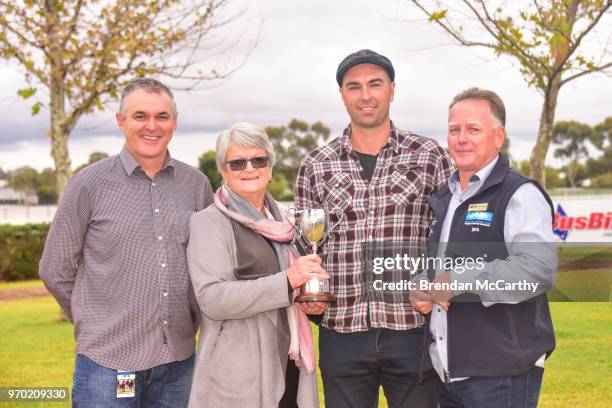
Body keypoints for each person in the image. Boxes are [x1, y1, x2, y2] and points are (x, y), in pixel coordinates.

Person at [39, 78, 213, 407]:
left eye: (162, 116)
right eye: (140, 116)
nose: (152, 126)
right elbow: (55, 268)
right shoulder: (88, 184)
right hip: (107, 364)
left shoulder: (197, 185)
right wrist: (90, 320)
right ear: (121, 122)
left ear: (174, 122)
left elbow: (206, 264)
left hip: (178, 361)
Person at [294, 49, 453, 408]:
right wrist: (309, 292)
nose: (365, 95)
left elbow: (447, 236)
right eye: (354, 87)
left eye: (375, 84)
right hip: (342, 331)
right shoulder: (316, 164)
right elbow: (306, 247)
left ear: (391, 90)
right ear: (343, 95)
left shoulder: (428, 155)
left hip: (413, 328)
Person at [410, 87, 557, 408]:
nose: (461, 138)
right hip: (448, 372)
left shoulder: (520, 194)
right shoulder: (445, 198)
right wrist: (422, 285)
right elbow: (440, 269)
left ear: (499, 136)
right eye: (454, 130)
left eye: (473, 129)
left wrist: (459, 281)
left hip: (500, 374)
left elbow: (537, 269)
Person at [187, 122, 326, 408]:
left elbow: (292, 291)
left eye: (258, 159)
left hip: (290, 367)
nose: (249, 168)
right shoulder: (208, 223)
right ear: (223, 171)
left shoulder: (285, 223)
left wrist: (307, 302)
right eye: (237, 162)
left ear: (270, 166)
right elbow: (212, 299)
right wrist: (287, 281)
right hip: (238, 376)